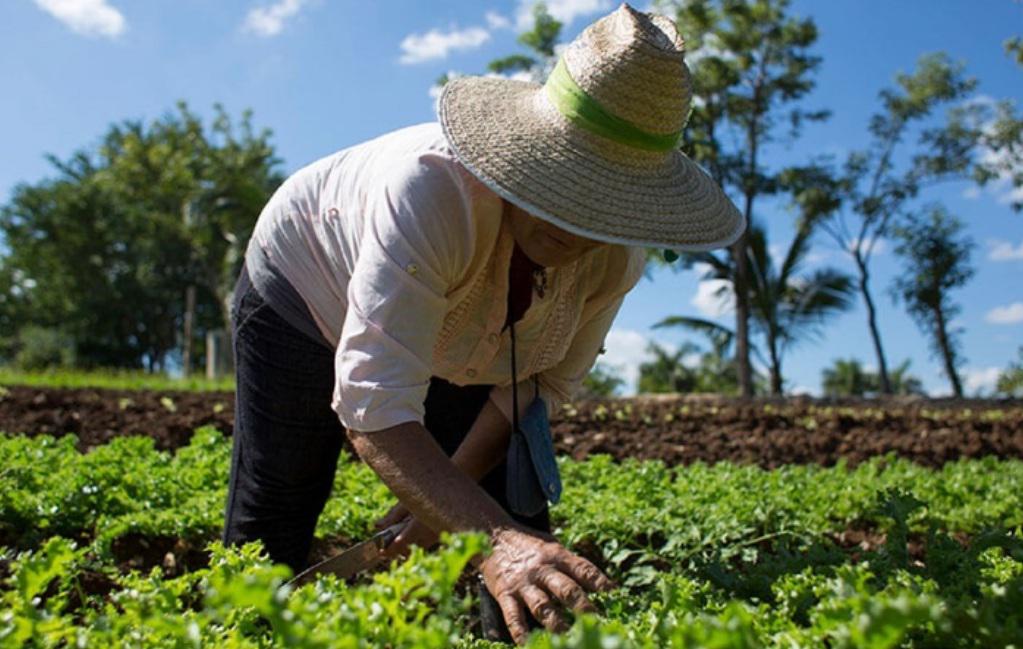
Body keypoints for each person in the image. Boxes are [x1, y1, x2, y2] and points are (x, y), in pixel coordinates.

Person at [223, 3, 743, 645]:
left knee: (516, 519)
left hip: (463, 335)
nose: (576, 223)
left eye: (602, 203)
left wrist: (450, 516)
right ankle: (240, 629)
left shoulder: (616, 261)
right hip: (304, 287)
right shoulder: (433, 192)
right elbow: (374, 403)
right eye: (563, 183)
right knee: (283, 491)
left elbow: (535, 388)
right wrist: (491, 540)